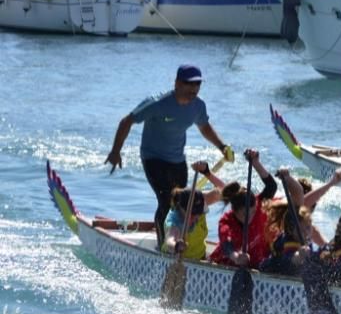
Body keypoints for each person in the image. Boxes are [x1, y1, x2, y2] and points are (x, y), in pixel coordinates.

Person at [105, 64, 232, 248]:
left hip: (178, 160)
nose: (194, 89)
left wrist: (222, 146)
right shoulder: (157, 103)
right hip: (153, 158)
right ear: (177, 83)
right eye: (189, 84)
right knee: (166, 200)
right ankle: (164, 246)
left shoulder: (198, 106)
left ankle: (182, 241)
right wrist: (115, 151)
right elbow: (127, 121)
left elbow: (204, 127)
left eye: (197, 84)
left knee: (183, 203)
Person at [209, 150, 278, 268]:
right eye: (245, 214)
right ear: (234, 211)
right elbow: (227, 245)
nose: (250, 217)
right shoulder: (226, 222)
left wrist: (255, 162)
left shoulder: (258, 204)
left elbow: (271, 186)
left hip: (257, 264)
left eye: (252, 212)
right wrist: (236, 257)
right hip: (227, 266)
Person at [162, 160, 226, 260]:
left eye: (198, 213)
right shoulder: (174, 220)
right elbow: (170, 239)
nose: (196, 217)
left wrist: (207, 172)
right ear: (181, 208)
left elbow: (224, 190)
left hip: (200, 258)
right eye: (192, 213)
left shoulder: (200, 201)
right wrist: (176, 245)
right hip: (175, 261)